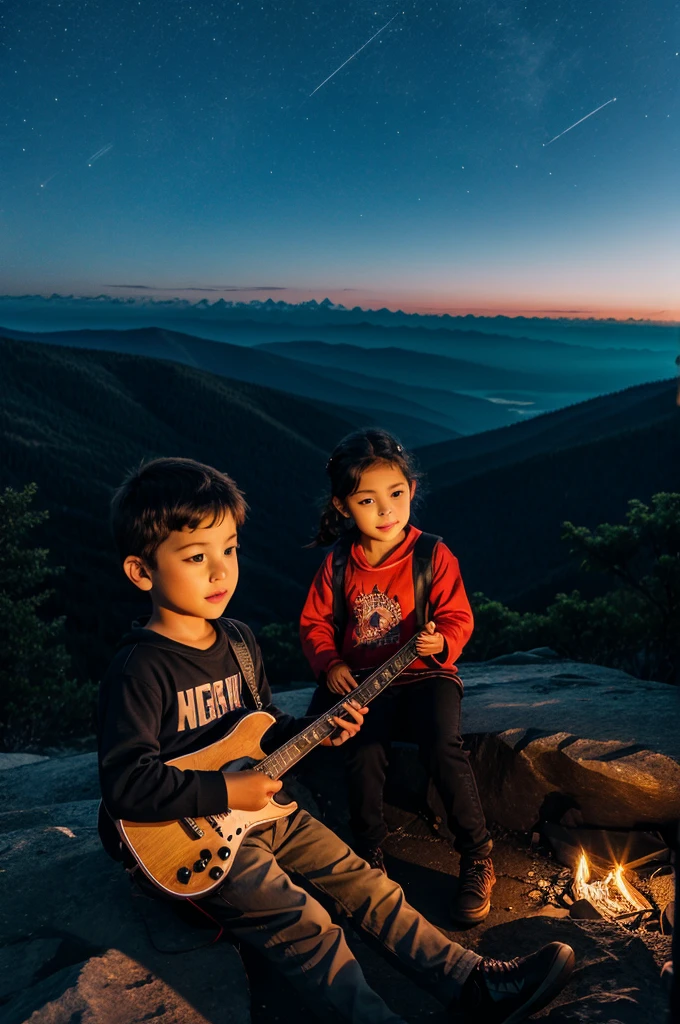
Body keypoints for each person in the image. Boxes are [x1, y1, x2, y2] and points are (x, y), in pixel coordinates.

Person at [97, 456, 575, 1024]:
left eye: (229, 550)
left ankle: (469, 984)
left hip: (262, 809)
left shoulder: (240, 643)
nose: (220, 571)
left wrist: (316, 733)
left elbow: (262, 726)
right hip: (197, 845)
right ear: (141, 571)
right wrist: (227, 794)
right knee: (305, 924)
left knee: (367, 883)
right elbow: (126, 785)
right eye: (196, 557)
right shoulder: (139, 669)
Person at [300, 429, 494, 925]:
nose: (386, 510)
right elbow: (315, 625)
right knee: (363, 753)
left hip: (426, 675)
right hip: (365, 681)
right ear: (344, 506)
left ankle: (477, 854)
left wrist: (443, 642)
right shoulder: (339, 564)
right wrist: (332, 665)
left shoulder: (431, 556)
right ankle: (370, 855)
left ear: (410, 489)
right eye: (368, 500)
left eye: (396, 494)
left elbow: (458, 616)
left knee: (441, 746)